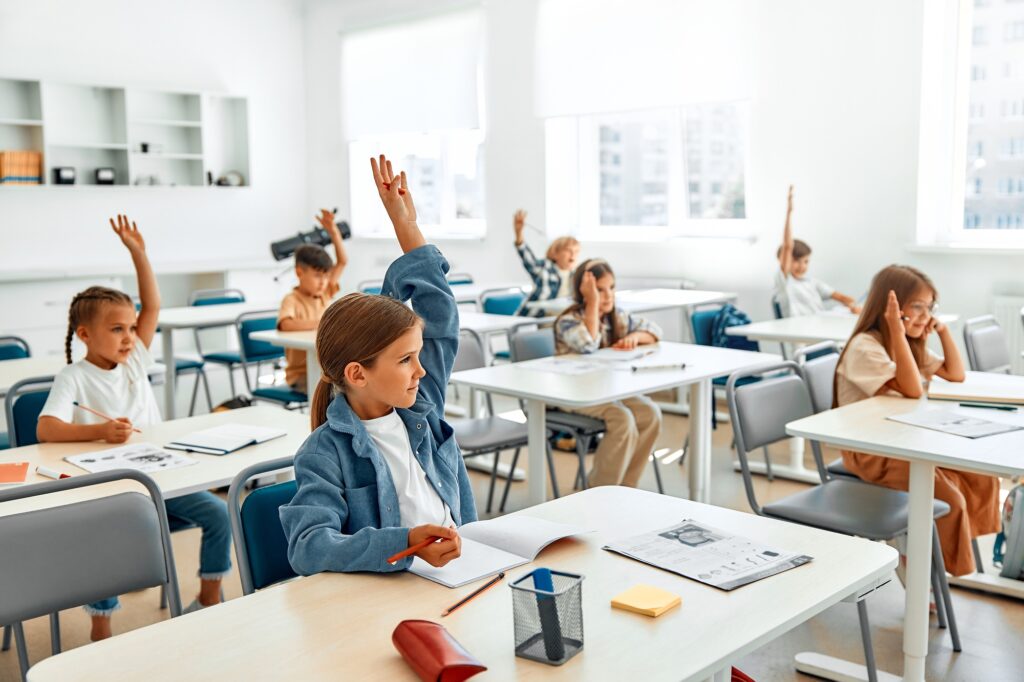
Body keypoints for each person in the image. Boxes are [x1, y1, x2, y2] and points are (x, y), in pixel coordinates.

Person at [37, 215, 231, 640]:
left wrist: (139, 254)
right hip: (112, 488)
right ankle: (101, 623)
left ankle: (210, 595)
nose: (129, 337)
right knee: (107, 535)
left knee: (219, 513)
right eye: (117, 329)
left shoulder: (136, 359)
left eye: (131, 328)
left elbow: (153, 306)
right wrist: (99, 433)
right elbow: (47, 428)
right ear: (85, 334)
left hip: (161, 479)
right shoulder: (74, 376)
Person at [280, 155, 475, 575]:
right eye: (406, 360)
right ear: (357, 374)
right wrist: (404, 543)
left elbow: (442, 317)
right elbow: (309, 547)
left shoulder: (420, 407)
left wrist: (406, 226)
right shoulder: (324, 452)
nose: (422, 370)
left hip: (460, 577)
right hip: (390, 597)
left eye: (418, 356)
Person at [834, 264, 999, 576]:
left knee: (980, 476)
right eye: (918, 307)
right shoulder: (865, 346)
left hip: (905, 440)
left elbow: (955, 374)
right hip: (871, 451)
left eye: (930, 307)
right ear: (891, 308)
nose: (925, 315)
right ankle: (927, 569)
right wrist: (896, 332)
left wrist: (943, 330)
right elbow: (911, 390)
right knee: (949, 498)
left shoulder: (909, 344)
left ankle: (945, 555)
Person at [553, 258, 663, 487]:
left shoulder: (617, 318)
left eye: (611, 288)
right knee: (622, 418)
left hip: (606, 392)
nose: (608, 295)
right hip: (572, 394)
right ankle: (600, 490)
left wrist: (635, 337)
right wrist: (592, 303)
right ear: (583, 292)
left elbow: (655, 331)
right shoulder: (568, 320)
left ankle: (626, 487)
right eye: (599, 290)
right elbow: (588, 344)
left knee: (650, 414)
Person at [278, 209, 348, 392]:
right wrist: (322, 323)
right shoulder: (292, 299)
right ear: (300, 273)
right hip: (302, 375)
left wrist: (333, 231)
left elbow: (342, 262)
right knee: (337, 391)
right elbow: (286, 324)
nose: (323, 282)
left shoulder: (323, 292)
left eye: (326, 276)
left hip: (324, 371)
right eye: (318, 276)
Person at [775, 185, 860, 316]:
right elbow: (787, 247)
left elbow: (843, 298)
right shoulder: (785, 282)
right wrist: (789, 212)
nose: (802, 266)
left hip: (816, 326)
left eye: (806, 261)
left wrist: (853, 305)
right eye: (796, 261)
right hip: (796, 331)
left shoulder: (812, 283)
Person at [513, 209, 580, 317]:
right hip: (538, 319)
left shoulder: (576, 275)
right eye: (568, 251)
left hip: (561, 320)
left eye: (576, 252)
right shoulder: (545, 269)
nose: (573, 255)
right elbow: (529, 260)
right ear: (555, 254)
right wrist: (519, 235)